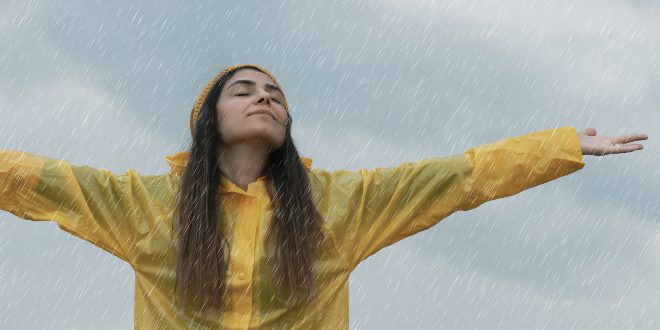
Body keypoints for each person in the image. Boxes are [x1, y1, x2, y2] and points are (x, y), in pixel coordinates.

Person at [0, 63, 648, 329]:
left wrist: (562, 146)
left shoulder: (339, 208)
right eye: (245, 89)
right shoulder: (144, 206)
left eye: (275, 94)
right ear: (207, 121)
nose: (265, 97)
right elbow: (37, 179)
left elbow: (457, 178)